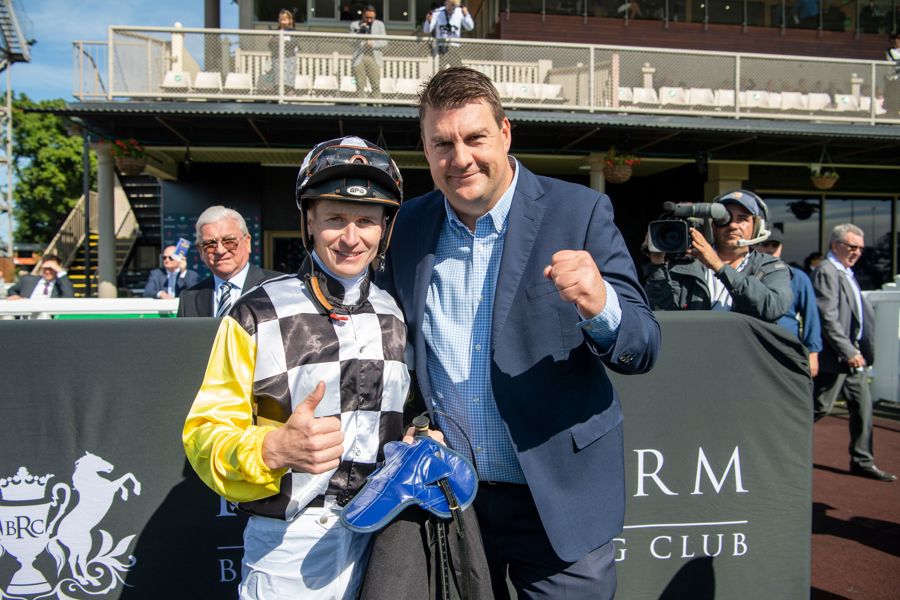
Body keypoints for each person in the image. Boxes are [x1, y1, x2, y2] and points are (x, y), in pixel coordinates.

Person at [376, 67, 660, 599]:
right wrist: (413, 422)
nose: (460, 158)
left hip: (559, 498)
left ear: (505, 133)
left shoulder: (579, 211)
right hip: (453, 502)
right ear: (426, 150)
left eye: (475, 137)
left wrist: (602, 305)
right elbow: (397, 347)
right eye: (442, 144)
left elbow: (642, 346)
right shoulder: (407, 225)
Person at [183, 137, 411, 598]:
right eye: (335, 219)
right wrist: (272, 449)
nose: (351, 237)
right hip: (290, 545)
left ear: (385, 227)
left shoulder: (394, 312)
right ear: (309, 221)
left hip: (383, 542)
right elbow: (204, 434)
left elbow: (406, 415)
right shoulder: (256, 311)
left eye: (366, 221)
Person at [813, 223, 895, 482]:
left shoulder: (845, 272)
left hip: (853, 358)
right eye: (851, 246)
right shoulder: (827, 271)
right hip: (836, 357)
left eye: (860, 248)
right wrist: (848, 350)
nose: (857, 252)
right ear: (835, 245)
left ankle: (862, 461)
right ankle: (777, 445)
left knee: (863, 409)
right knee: (818, 408)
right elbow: (827, 317)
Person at [644, 190, 793, 322]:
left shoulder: (772, 268)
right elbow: (660, 312)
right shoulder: (686, 264)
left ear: (757, 226)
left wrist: (718, 266)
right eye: (724, 219)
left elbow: (772, 308)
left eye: (742, 219)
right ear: (713, 226)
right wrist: (657, 264)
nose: (732, 225)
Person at [177, 206, 281, 317]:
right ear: (201, 251)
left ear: (247, 243)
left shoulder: (279, 288)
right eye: (210, 244)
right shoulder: (189, 299)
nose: (220, 250)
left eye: (229, 241)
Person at [755, 228, 822, 376]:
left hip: (787, 348)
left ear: (781, 248)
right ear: (756, 245)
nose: (770, 249)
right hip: (755, 346)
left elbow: (811, 316)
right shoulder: (747, 275)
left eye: (775, 245)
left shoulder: (797, 277)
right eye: (765, 244)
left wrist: (813, 353)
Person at [423, 0, 474, 67]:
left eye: (454, 6)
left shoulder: (460, 12)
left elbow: (470, 27)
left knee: (457, 69)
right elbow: (427, 30)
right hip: (441, 46)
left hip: (455, 46)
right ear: (446, 3)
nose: (451, 8)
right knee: (440, 69)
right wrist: (428, 21)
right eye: (450, 4)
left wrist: (466, 15)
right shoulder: (437, 12)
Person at [350, 5, 386, 100]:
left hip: (373, 57)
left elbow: (384, 42)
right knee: (359, 84)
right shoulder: (355, 25)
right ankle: (361, 106)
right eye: (367, 17)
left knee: (375, 84)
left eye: (371, 18)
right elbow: (350, 41)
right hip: (359, 57)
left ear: (375, 16)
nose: (369, 20)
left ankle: (377, 105)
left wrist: (373, 44)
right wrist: (359, 34)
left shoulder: (380, 25)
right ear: (363, 15)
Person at [6, 254, 75, 299]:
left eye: (51, 268)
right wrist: (15, 296)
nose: (47, 272)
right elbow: (11, 290)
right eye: (45, 268)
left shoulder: (61, 286)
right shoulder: (27, 280)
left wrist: (61, 271)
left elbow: (69, 297)